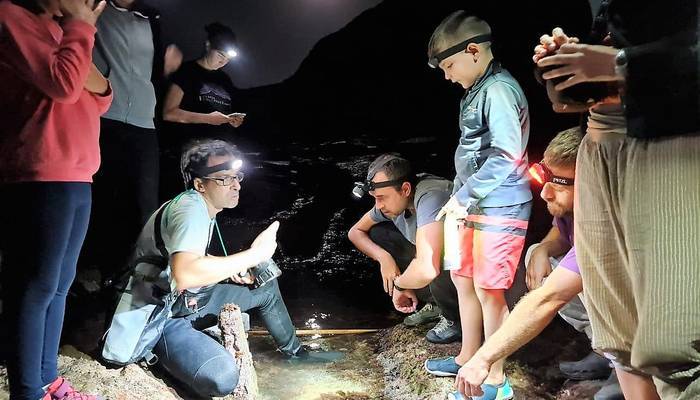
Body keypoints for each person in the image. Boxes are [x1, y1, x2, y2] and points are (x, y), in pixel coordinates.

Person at [536, 1, 699, 398]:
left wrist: (621, 63)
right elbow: (577, 95)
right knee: (617, 331)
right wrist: (565, 63)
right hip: (599, 143)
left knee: (677, 340)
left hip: (672, 143)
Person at [103, 140, 336, 398]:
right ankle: (165, 359)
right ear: (200, 184)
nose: (236, 184)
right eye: (224, 179)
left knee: (265, 285)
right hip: (156, 318)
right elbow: (186, 273)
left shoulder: (199, 207)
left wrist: (231, 269)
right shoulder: (190, 209)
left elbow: (186, 259)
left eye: (237, 176)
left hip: (178, 302)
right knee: (223, 378)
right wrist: (254, 254)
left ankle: (296, 355)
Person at [454, 128, 622, 400]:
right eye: (543, 175)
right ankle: (604, 350)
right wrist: (543, 248)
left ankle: (624, 364)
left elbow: (550, 298)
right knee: (537, 253)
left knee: (571, 284)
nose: (545, 193)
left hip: (646, 319)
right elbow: (560, 234)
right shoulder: (573, 207)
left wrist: (483, 358)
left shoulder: (606, 224)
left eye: (558, 182)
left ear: (593, 181)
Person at [0, 0, 112, 398]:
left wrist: (75, 34)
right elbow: (65, 85)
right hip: (39, 172)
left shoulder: (62, 32)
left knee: (59, 286)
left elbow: (101, 95)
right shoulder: (11, 18)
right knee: (35, 288)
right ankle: (28, 390)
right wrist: (81, 29)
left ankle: (48, 380)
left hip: (78, 174)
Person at [422, 12, 532, 400]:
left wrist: (463, 196)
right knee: (462, 279)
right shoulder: (477, 90)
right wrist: (460, 199)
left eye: (449, 65)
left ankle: (494, 378)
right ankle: (469, 355)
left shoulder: (499, 89)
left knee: (490, 290)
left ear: (473, 50)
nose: (448, 75)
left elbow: (506, 154)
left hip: (500, 206)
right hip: (470, 205)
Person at [84, 0, 182, 282]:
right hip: (103, 115)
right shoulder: (93, 7)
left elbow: (154, 70)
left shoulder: (150, 18)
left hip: (143, 121)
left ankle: (132, 276)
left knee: (143, 203)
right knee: (101, 197)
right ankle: (92, 270)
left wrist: (166, 65)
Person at [347, 154, 460, 344]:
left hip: (462, 265)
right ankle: (435, 304)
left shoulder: (431, 195)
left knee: (436, 252)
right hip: (428, 259)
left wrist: (400, 285)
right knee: (379, 233)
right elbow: (355, 231)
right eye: (375, 198)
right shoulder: (391, 202)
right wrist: (384, 258)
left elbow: (427, 266)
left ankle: (455, 319)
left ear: (406, 189)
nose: (378, 206)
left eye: (382, 198)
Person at [162, 22, 245, 146]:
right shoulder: (186, 71)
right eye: (221, 55)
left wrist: (231, 119)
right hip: (193, 148)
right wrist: (207, 119)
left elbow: (223, 114)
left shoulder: (225, 80)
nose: (223, 62)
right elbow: (168, 113)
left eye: (228, 59)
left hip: (223, 148)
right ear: (208, 45)